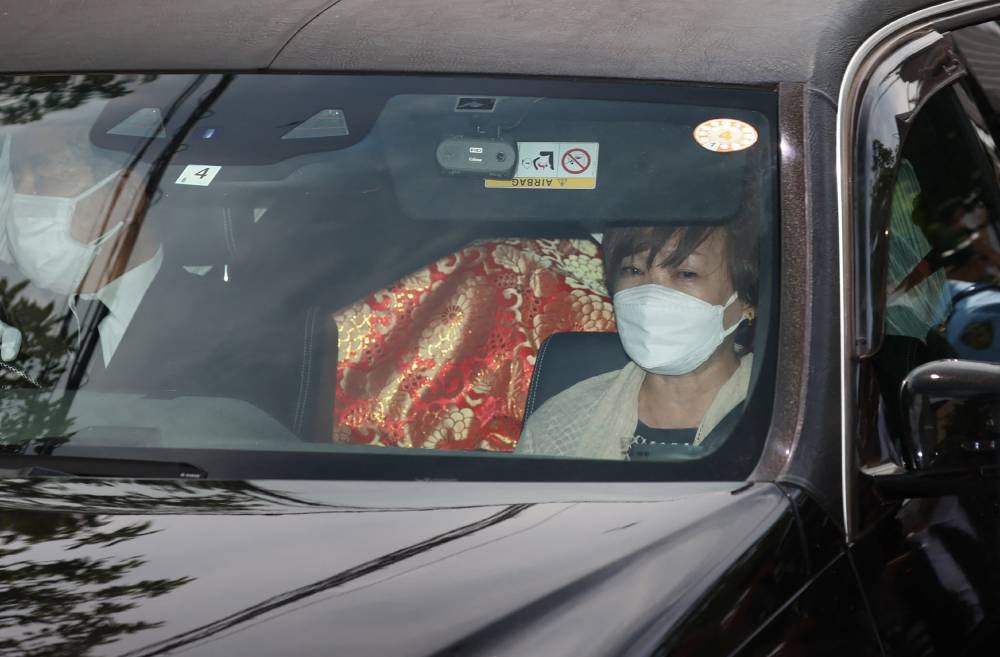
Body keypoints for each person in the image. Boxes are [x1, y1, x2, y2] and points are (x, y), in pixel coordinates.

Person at [516, 219, 757, 460]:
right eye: (633, 271)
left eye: (686, 273)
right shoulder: (558, 424)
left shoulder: (776, 422)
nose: (651, 296)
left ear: (746, 300)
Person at [0, 122, 160, 375]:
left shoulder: (215, 313)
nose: (23, 196)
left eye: (44, 173)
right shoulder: (17, 316)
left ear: (125, 194)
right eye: (17, 178)